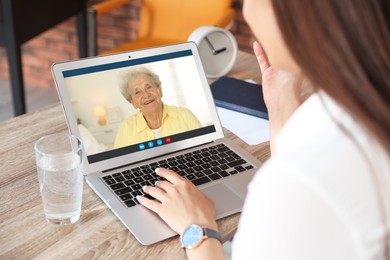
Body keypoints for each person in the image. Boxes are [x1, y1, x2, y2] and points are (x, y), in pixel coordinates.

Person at [136, 0, 390, 259]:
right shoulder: (358, 108)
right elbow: (300, 161)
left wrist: (197, 226)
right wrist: (281, 100)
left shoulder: (299, 183)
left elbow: (300, 179)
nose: (246, 11)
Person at [114, 67, 202, 148]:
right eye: (137, 92)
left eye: (148, 87)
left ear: (159, 90)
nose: (146, 95)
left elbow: (203, 148)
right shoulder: (126, 128)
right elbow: (120, 162)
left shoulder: (185, 115)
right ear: (132, 102)